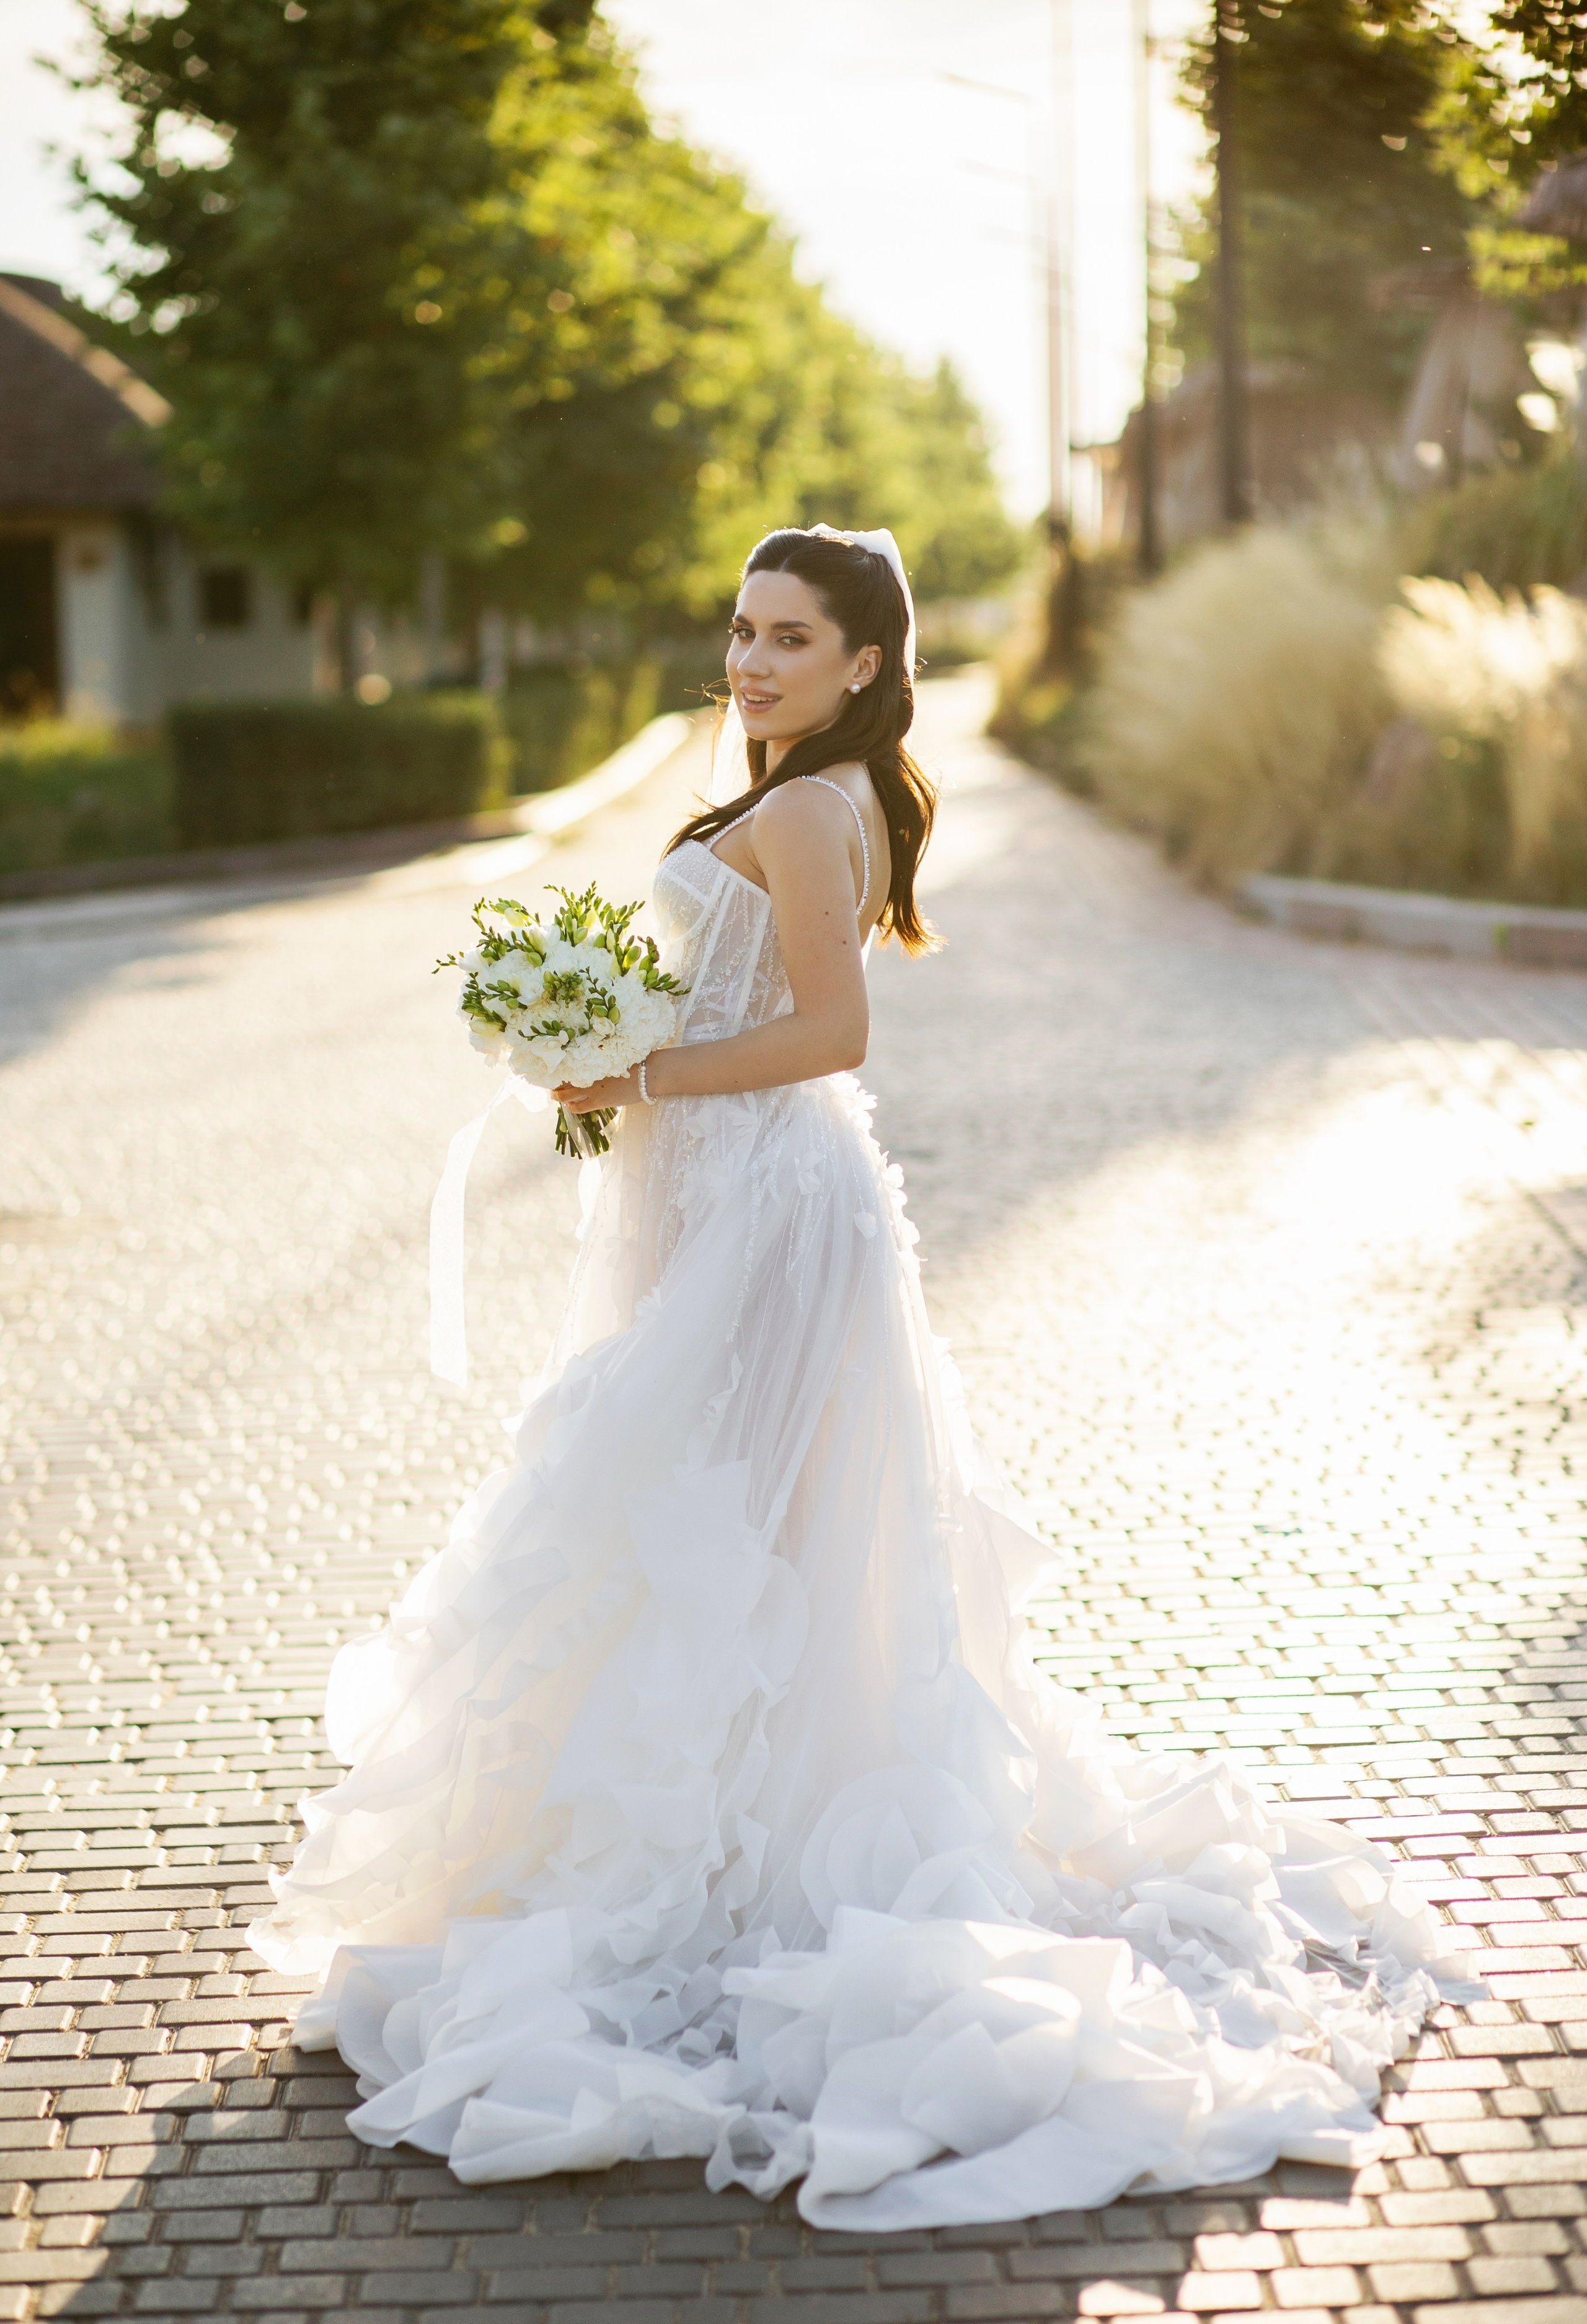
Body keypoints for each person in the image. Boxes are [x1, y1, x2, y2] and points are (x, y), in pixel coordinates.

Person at [254, 525, 1467, 2232]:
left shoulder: (816, 808)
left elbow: (834, 1031)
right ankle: (725, 1826)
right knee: (733, 1521)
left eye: (789, 638)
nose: (749, 661)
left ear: (865, 667)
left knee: (708, 1514)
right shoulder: (798, 792)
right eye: (741, 630)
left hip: (774, 1200)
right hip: (738, 1194)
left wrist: (637, 1057)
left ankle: (742, 1861)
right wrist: (616, 1062)